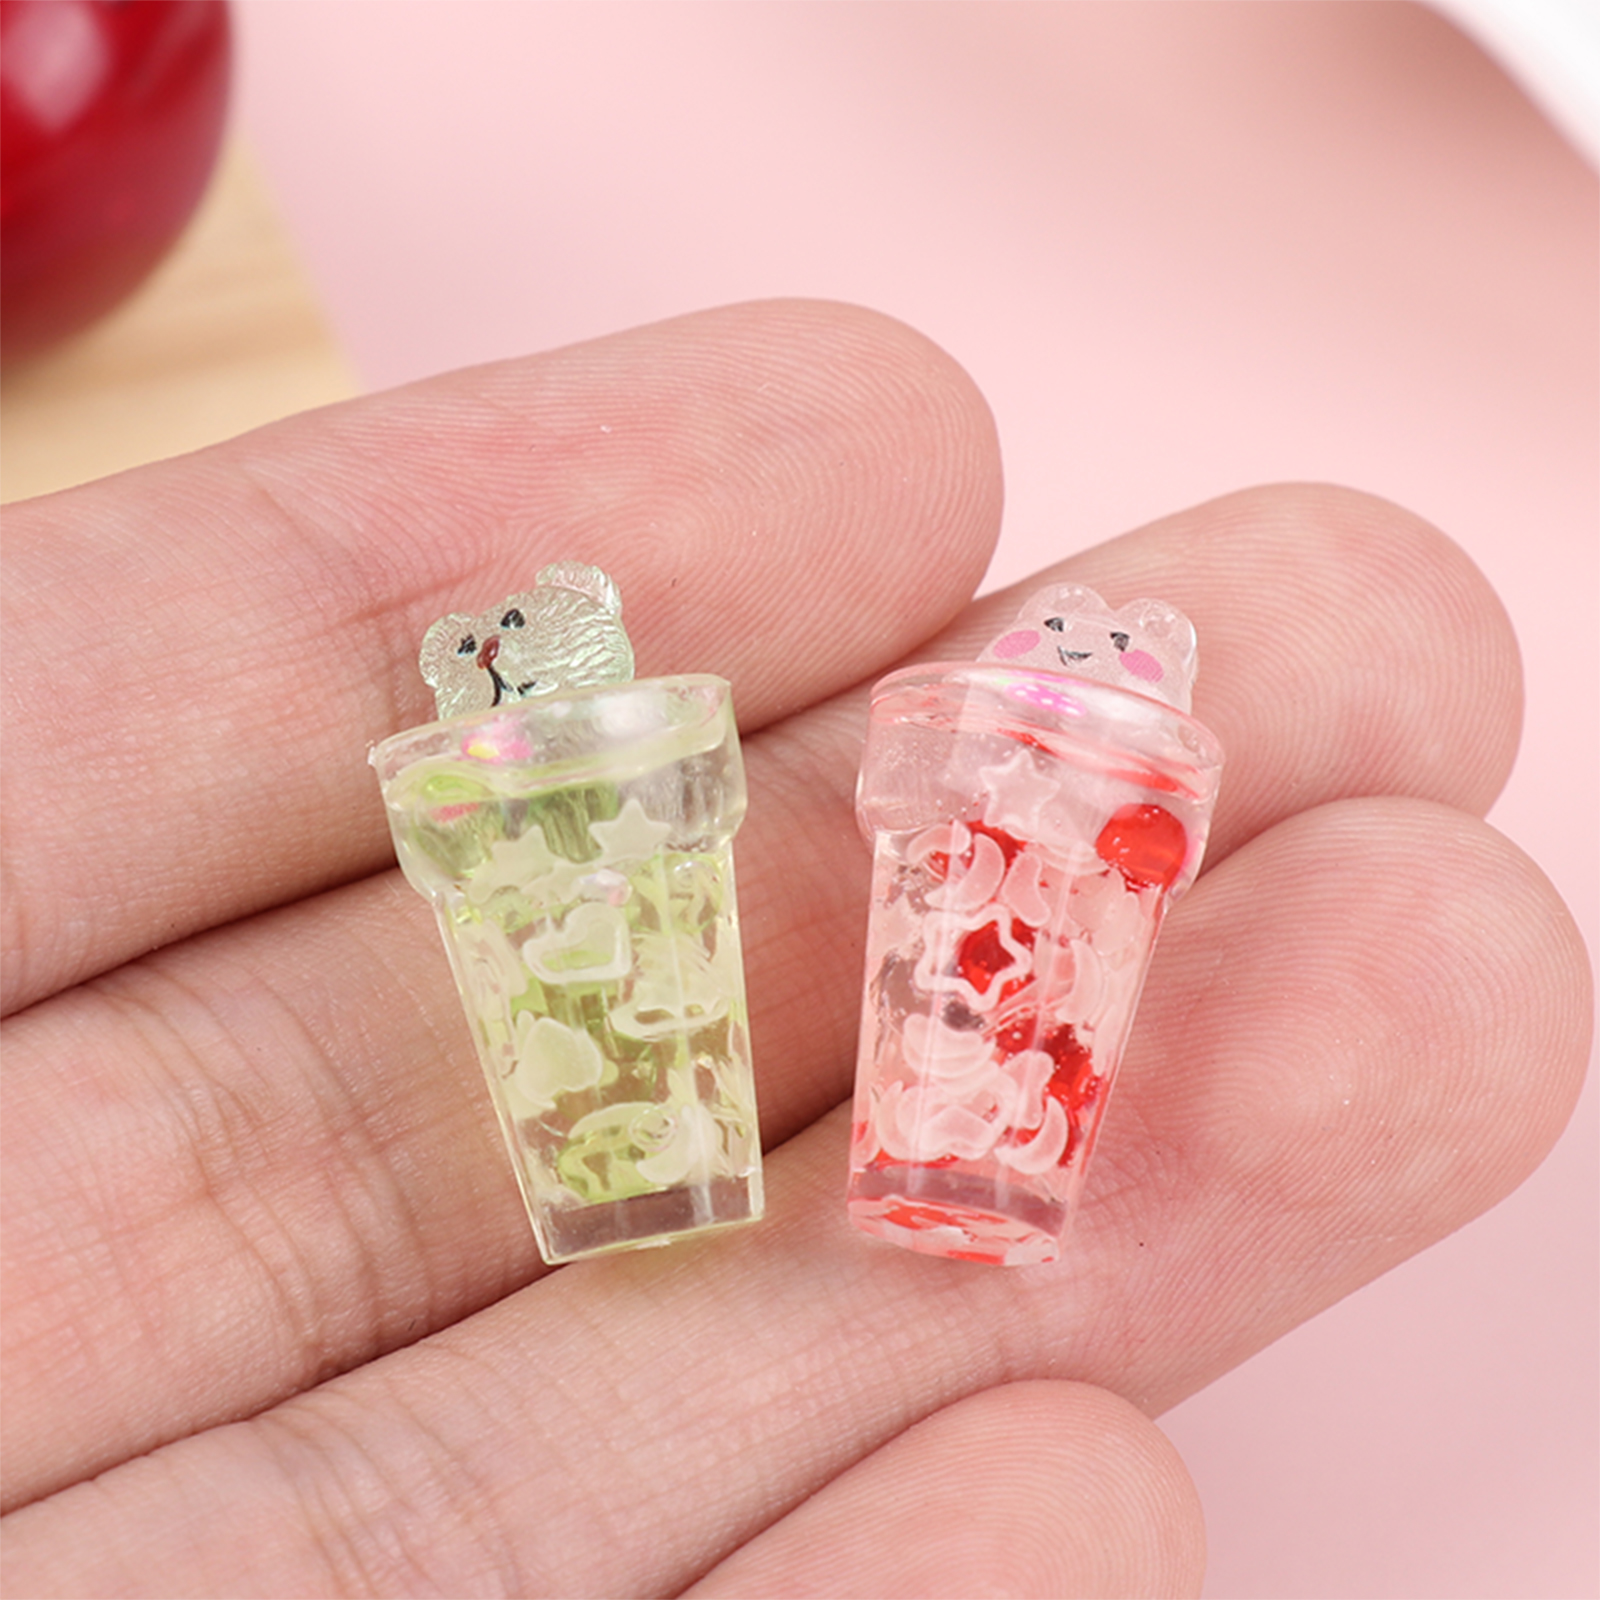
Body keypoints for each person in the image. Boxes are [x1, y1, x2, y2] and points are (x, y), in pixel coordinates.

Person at [0, 300, 1588, 1598]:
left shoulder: (1075, 794)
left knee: (971, 1043)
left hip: (911, 981)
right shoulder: (580, 779)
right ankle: (705, 1173)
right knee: (649, 1052)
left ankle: (893, 1169)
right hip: (590, 896)